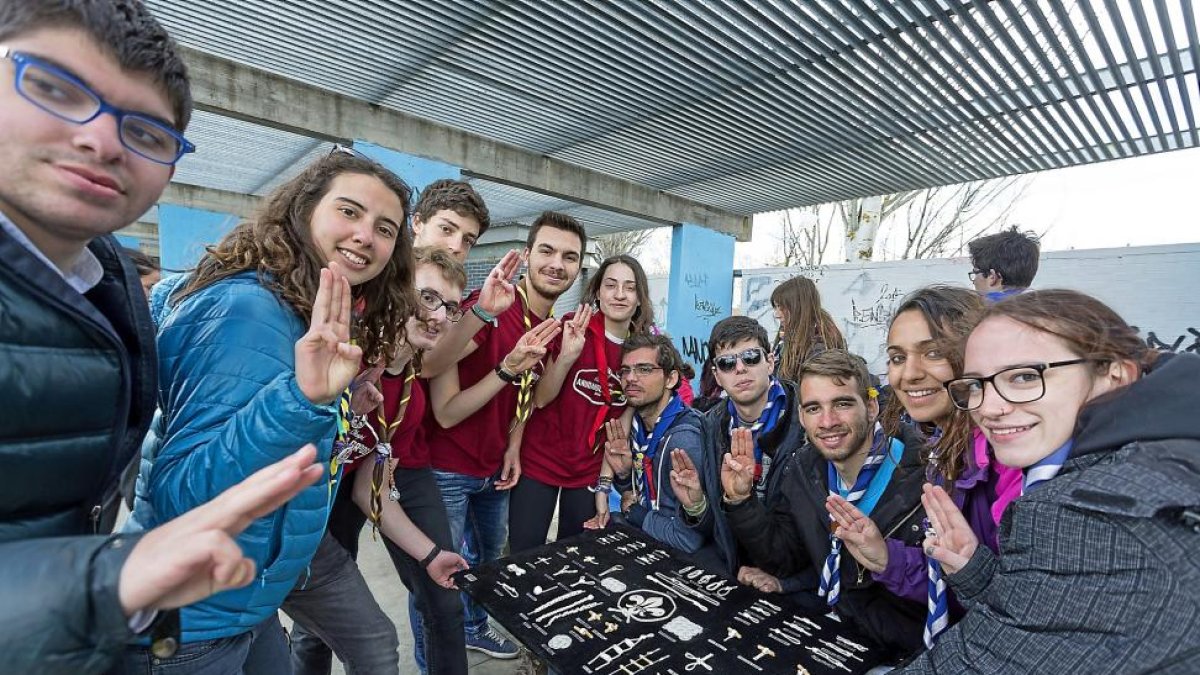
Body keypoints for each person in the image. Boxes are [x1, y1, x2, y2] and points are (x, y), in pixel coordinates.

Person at [0, 3, 324, 672]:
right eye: (55, 89)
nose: (102, 140)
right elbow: (184, 474)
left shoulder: (107, 280)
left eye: (146, 131)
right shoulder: (243, 307)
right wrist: (108, 580)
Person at [123, 149, 417, 673]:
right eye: (349, 211)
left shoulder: (296, 307)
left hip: (246, 594)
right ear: (304, 211)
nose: (366, 236)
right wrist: (303, 402)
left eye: (385, 228)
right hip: (192, 618)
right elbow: (184, 495)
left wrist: (337, 407)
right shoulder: (247, 309)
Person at [898, 290, 1200, 674]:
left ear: (1115, 373)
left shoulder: (1091, 511)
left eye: (1024, 376)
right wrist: (975, 569)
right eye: (976, 385)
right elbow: (1066, 632)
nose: (989, 408)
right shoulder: (1162, 453)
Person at [289, 173, 492, 675]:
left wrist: (430, 556)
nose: (439, 315)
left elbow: (371, 486)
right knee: (323, 631)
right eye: (426, 298)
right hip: (303, 501)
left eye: (448, 306)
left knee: (432, 605)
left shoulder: (404, 376)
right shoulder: (349, 354)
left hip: (370, 483)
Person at [420, 211, 584, 659]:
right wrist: (505, 367)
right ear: (528, 255)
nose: (557, 264)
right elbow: (442, 400)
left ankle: (474, 627)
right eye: (547, 251)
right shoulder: (487, 307)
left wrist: (514, 441)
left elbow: (539, 396)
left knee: (486, 564)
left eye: (570, 257)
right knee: (440, 583)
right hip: (446, 466)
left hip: (494, 467)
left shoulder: (547, 325)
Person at [826, 286, 1021, 648]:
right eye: (897, 358)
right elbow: (951, 581)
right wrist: (885, 557)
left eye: (932, 353)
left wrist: (972, 571)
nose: (909, 374)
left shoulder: (1011, 462)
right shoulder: (943, 450)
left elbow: (1028, 616)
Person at [714, 349, 928, 659]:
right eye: (814, 408)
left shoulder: (924, 476)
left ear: (870, 407)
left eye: (842, 403)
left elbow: (952, 593)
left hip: (904, 655)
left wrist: (885, 561)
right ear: (801, 417)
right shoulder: (803, 468)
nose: (827, 421)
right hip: (831, 635)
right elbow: (785, 555)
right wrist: (741, 501)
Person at [513, 254, 655, 550]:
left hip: (588, 469)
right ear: (597, 293)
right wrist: (567, 356)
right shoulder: (573, 328)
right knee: (523, 553)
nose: (619, 294)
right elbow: (539, 399)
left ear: (639, 298)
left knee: (575, 556)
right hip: (541, 459)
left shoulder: (642, 351)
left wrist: (604, 484)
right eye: (611, 285)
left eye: (629, 288)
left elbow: (622, 422)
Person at [669, 316, 810, 583]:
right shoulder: (710, 426)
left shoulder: (806, 419)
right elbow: (719, 528)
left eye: (751, 357)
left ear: (770, 361)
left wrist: (789, 584)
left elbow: (820, 530)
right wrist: (697, 505)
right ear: (717, 376)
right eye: (727, 362)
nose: (740, 368)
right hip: (736, 573)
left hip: (795, 580)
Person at [605, 334, 706, 553]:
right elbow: (645, 496)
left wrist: (637, 514)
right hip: (650, 542)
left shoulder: (683, 441)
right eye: (625, 370)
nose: (631, 378)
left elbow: (689, 539)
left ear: (670, 379)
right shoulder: (637, 427)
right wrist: (624, 477)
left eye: (644, 369)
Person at [770, 275, 846, 382]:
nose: (777, 315)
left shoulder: (819, 349)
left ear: (798, 307)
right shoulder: (790, 340)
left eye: (781, 307)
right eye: (776, 307)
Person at [966, 226, 1040, 302]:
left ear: (992, 277)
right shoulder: (1044, 306)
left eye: (975, 273)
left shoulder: (987, 311)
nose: (974, 282)